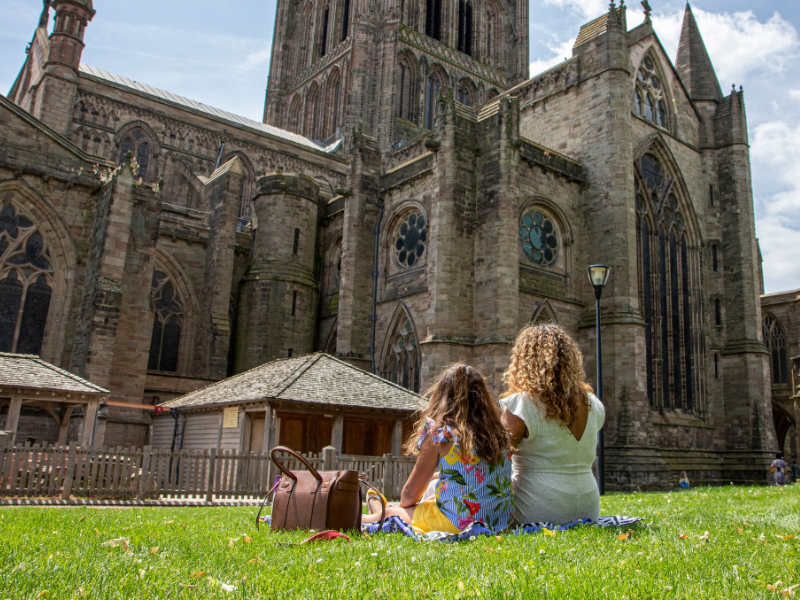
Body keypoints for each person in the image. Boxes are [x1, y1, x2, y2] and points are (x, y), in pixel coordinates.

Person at [362, 364, 514, 533]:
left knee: (393, 513)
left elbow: (409, 494)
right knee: (426, 503)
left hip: (457, 524)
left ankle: (377, 508)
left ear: (441, 397)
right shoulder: (502, 435)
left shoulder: (441, 434)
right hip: (499, 522)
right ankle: (378, 505)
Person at [500, 324, 605, 525]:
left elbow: (495, 455)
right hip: (589, 507)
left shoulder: (523, 404)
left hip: (537, 509)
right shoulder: (593, 404)